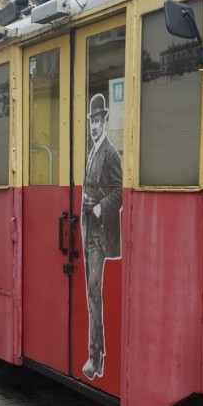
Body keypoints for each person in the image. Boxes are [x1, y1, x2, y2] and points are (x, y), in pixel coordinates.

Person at [81, 93, 122, 380]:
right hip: (87, 231)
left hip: (99, 233)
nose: (94, 126)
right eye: (91, 121)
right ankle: (96, 355)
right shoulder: (92, 151)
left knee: (95, 295)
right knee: (91, 294)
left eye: (98, 121)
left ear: (105, 121)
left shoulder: (110, 153)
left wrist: (97, 207)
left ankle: (97, 358)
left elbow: (120, 192)